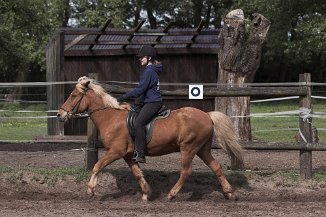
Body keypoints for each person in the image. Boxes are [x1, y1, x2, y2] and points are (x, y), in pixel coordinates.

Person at [118, 45, 163, 163]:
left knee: (139, 123)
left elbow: (140, 89)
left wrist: (123, 97)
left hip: (152, 103)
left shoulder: (149, 71)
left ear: (148, 58)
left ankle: (141, 154)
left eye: (142, 57)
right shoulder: (151, 70)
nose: (140, 59)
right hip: (147, 101)